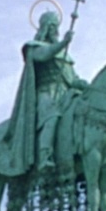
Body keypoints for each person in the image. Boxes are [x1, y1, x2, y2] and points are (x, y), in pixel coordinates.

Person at [7, 11, 88, 175]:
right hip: (46, 93)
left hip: (66, 94)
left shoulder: (65, 55)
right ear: (44, 27)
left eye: (56, 27)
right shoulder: (34, 47)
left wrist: (83, 84)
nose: (54, 30)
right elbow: (45, 55)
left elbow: (71, 78)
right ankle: (45, 155)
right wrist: (64, 43)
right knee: (52, 117)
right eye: (51, 26)